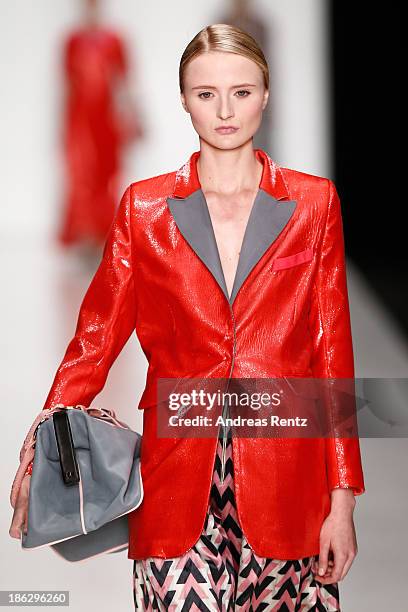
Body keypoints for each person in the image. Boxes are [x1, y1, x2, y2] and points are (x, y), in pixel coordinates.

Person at [10, 23, 365, 611]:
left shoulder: (313, 203)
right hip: (176, 477)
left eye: (242, 92)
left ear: (266, 93)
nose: (225, 110)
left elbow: (332, 353)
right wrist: (43, 440)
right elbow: (95, 338)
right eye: (206, 94)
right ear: (183, 99)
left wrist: (344, 496)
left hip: (286, 477)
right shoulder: (144, 209)